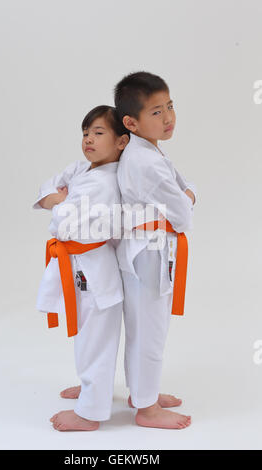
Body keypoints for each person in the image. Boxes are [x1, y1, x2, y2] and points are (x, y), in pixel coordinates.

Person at [32, 105, 129, 431]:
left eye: (99, 133)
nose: (88, 139)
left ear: (121, 142)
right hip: (80, 267)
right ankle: (92, 391)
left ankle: (90, 413)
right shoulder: (83, 171)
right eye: (85, 133)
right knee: (86, 338)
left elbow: (65, 224)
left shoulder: (105, 182)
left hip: (95, 272)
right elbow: (47, 187)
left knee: (95, 341)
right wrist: (60, 198)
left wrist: (60, 201)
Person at [113, 71, 197, 429]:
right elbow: (182, 214)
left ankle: (141, 393)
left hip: (143, 251)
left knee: (143, 326)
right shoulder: (145, 161)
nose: (169, 118)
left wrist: (185, 196)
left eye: (170, 107)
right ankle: (146, 409)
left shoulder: (145, 151)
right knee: (151, 329)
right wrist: (189, 198)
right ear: (131, 122)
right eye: (157, 112)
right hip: (148, 254)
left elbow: (181, 196)